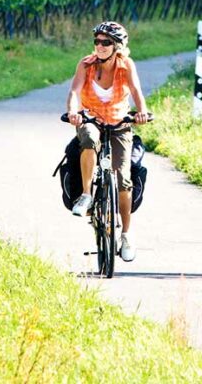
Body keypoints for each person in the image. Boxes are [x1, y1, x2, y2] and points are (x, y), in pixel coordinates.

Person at [66, 21, 150, 262]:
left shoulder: (126, 66)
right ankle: (86, 195)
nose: (100, 47)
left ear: (118, 47)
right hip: (91, 119)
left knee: (123, 180)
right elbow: (74, 91)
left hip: (119, 123)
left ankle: (126, 234)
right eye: (97, 42)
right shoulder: (86, 64)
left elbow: (136, 91)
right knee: (89, 138)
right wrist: (73, 112)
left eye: (106, 43)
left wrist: (141, 112)